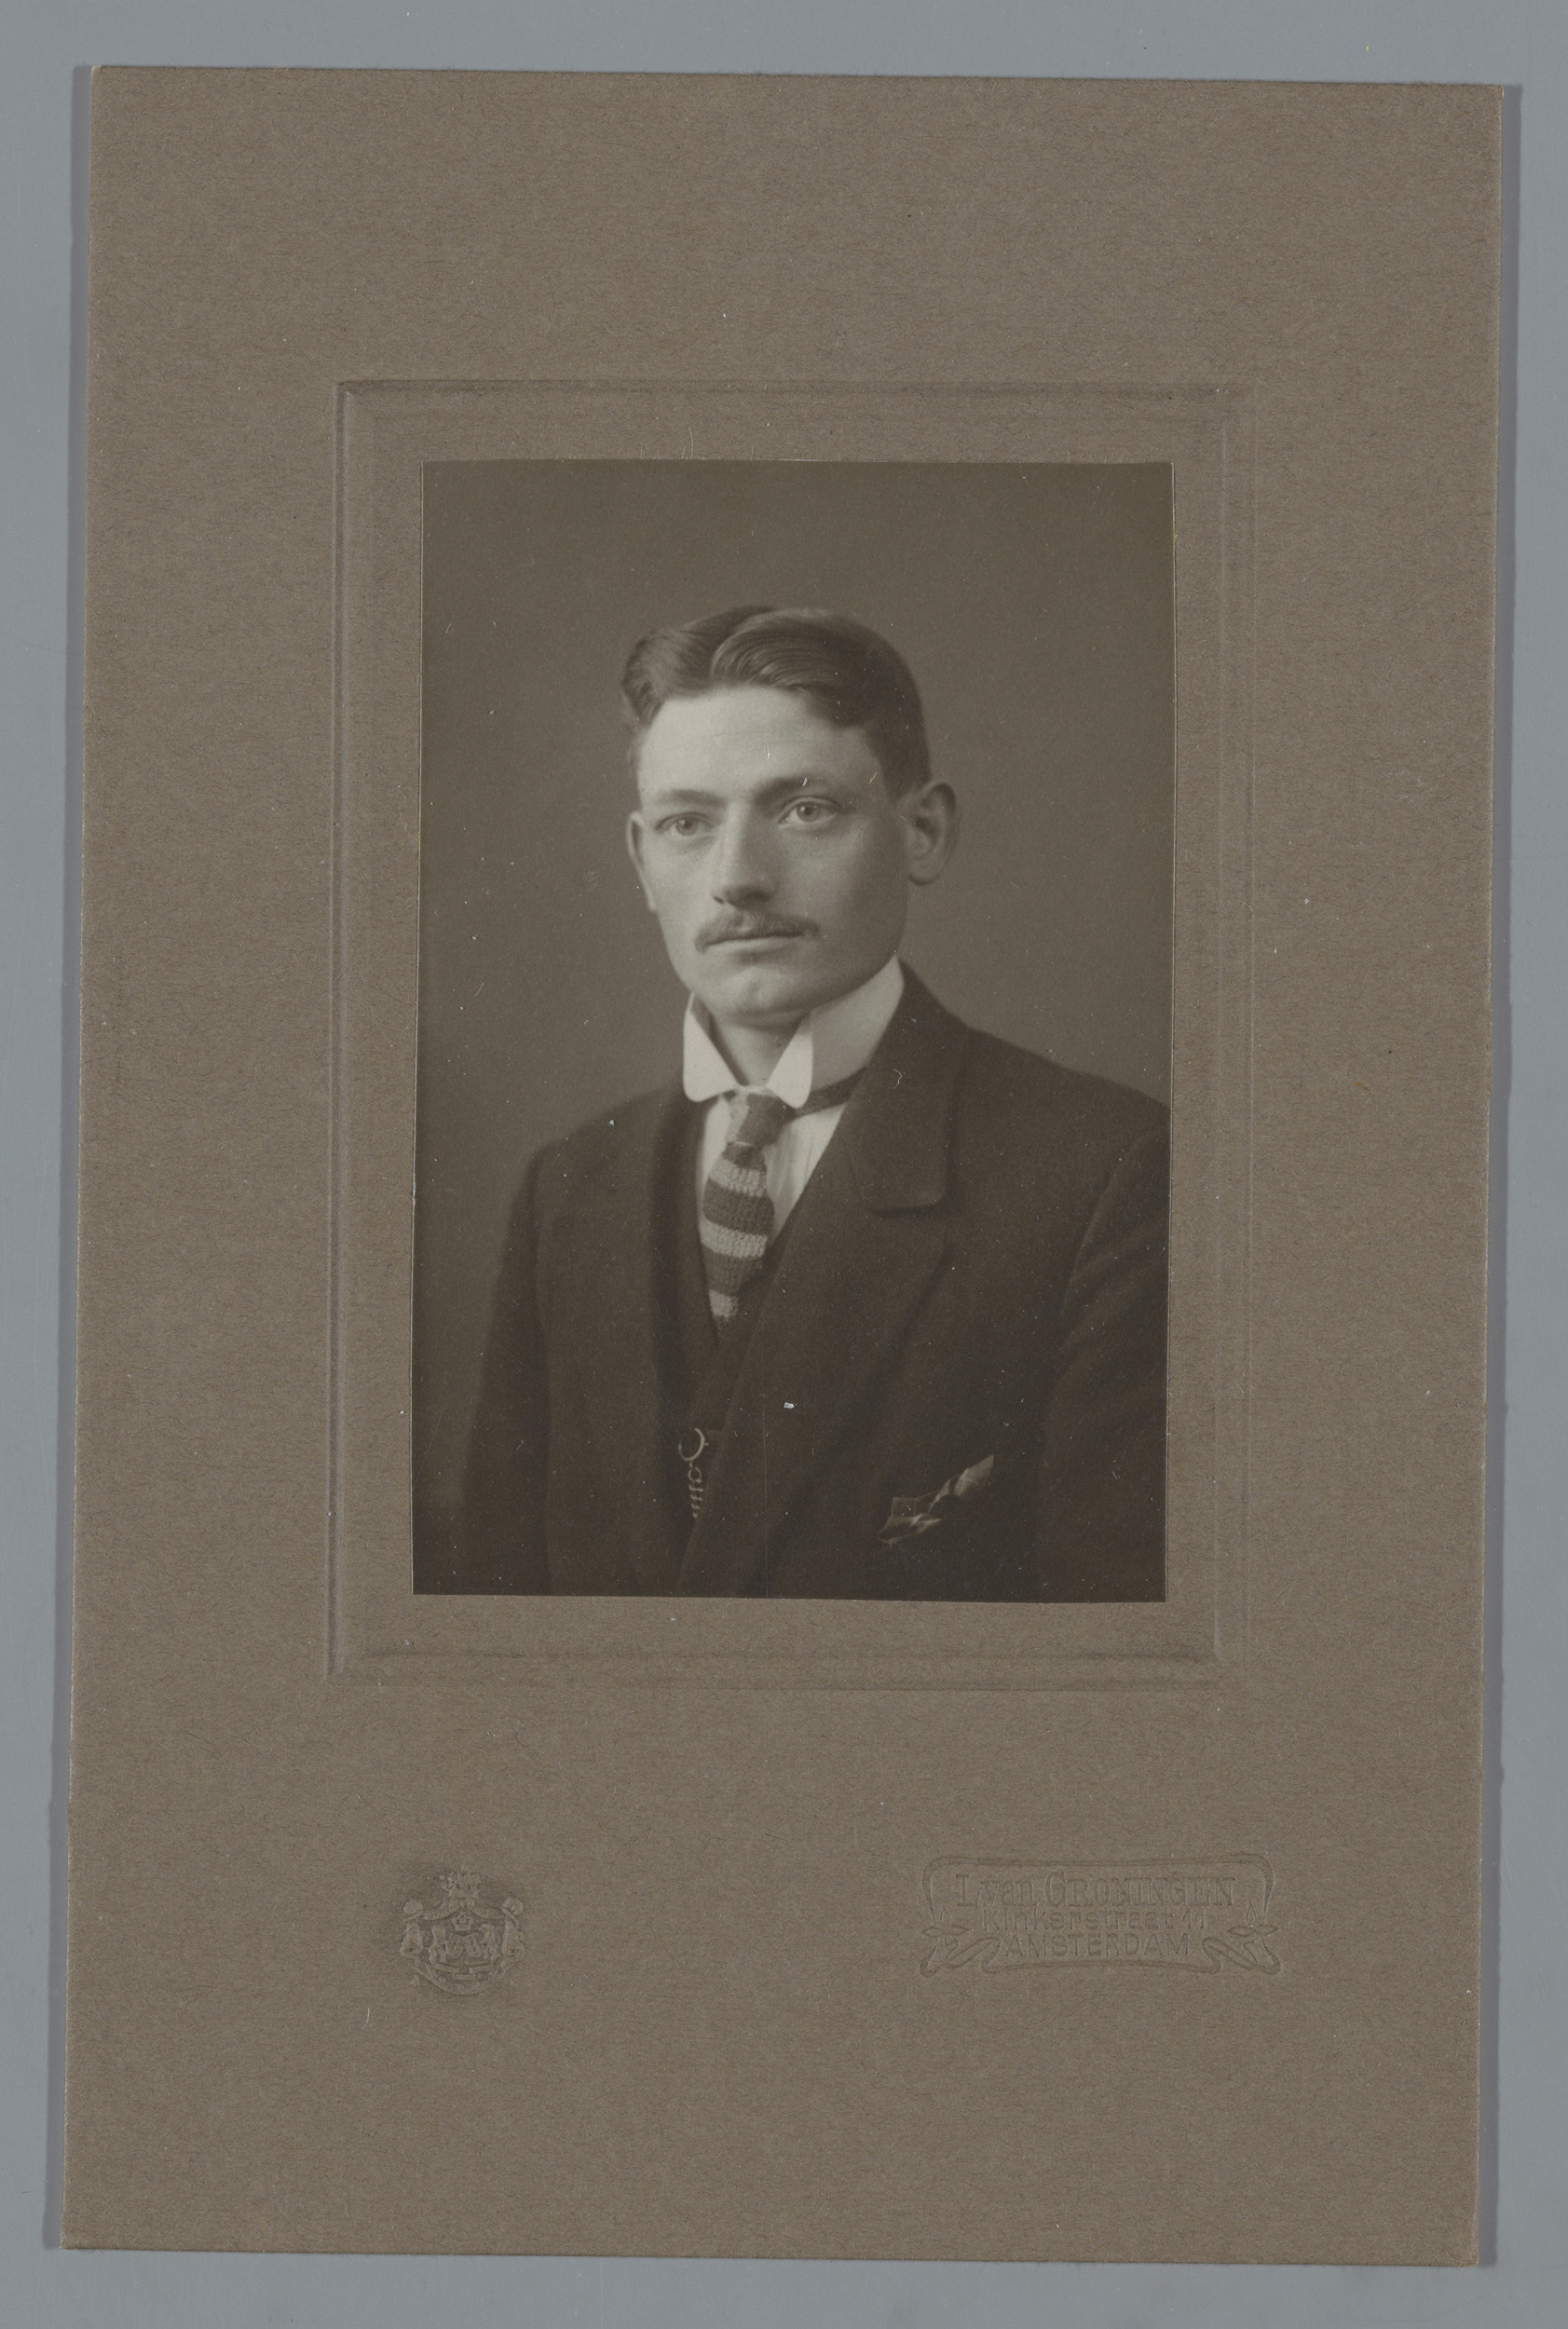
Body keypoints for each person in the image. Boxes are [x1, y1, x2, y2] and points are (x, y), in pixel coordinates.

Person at [454, 606, 1168, 1601]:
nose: (738, 879)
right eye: (688, 823)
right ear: (641, 862)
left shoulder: (1106, 1175)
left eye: (803, 809)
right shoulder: (567, 1188)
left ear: (922, 831)